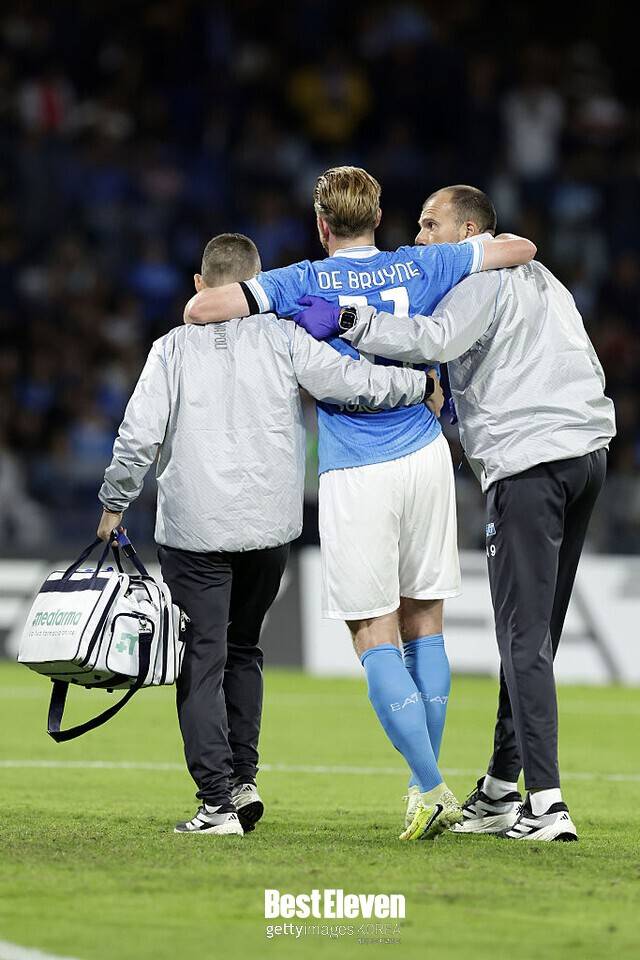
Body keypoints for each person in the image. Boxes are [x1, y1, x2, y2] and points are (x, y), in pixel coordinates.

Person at [183, 167, 536, 840]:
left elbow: (203, 310)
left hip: (358, 466)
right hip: (428, 456)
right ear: (378, 219)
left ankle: (429, 786)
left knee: (373, 630)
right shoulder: (423, 263)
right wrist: (465, 250)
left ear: (322, 225)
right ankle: (422, 788)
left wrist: (271, 304)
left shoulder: (302, 279)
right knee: (425, 622)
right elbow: (519, 248)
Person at [295, 184, 617, 842]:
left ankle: (547, 805)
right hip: (587, 452)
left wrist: (350, 319)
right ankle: (500, 789)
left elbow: (436, 339)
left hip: (530, 461)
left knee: (521, 639)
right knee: (537, 637)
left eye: (430, 224)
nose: (419, 239)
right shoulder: (545, 279)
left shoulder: (479, 276)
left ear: (469, 231)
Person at [97, 232, 435, 837]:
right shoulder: (284, 336)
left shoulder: (172, 349)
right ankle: (242, 780)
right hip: (269, 529)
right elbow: (351, 381)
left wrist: (114, 502)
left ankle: (216, 803)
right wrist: (420, 386)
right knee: (245, 649)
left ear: (199, 285)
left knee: (202, 659)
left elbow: (138, 435)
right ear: (257, 286)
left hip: (195, 532)